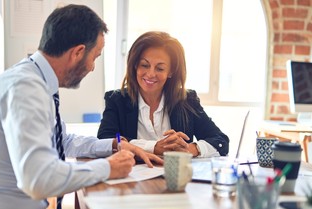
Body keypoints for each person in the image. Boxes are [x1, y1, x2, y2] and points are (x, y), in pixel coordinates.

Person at [0, 5, 162, 209]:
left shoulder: (34, 80)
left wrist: (113, 147)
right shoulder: (26, 89)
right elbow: (38, 180)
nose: (93, 67)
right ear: (77, 52)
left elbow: (61, 140)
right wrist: (108, 168)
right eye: (94, 57)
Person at [97, 31, 229, 158]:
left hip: (175, 177)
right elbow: (107, 140)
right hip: (132, 178)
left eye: (160, 68)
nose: (150, 74)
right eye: (144, 65)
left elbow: (220, 140)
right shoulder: (116, 100)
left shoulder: (187, 100)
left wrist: (189, 149)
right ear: (135, 65)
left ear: (171, 72)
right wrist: (153, 147)